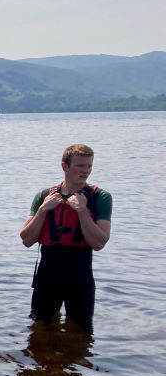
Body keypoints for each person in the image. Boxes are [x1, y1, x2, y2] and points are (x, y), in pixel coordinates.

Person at [19, 143, 111, 333]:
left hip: (79, 275)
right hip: (47, 274)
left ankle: (73, 362)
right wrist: (43, 209)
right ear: (65, 166)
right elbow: (27, 239)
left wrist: (82, 210)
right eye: (80, 166)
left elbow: (99, 243)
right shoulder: (44, 196)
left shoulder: (100, 197)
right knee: (40, 328)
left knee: (81, 333)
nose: (86, 171)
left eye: (89, 166)